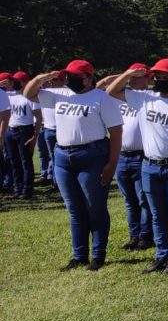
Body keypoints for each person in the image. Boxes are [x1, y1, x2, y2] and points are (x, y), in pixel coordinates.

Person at [106, 59, 168, 275]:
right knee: (157, 215)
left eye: (166, 78)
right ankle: (161, 256)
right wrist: (129, 71)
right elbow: (111, 90)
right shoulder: (144, 99)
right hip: (149, 165)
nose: (160, 81)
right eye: (157, 77)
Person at [25, 61, 123, 270]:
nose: (71, 80)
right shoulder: (60, 94)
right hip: (62, 156)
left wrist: (111, 164)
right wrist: (42, 77)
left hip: (92, 154)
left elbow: (116, 133)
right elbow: (29, 93)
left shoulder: (101, 98)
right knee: (74, 209)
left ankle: (98, 254)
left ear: (89, 77)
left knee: (94, 207)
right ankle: (79, 255)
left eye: (76, 77)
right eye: (68, 76)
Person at [99, 64, 154, 250]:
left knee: (144, 199)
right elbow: (105, 88)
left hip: (141, 156)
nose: (133, 80)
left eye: (138, 77)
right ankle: (134, 235)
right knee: (129, 200)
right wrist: (126, 73)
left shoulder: (150, 98)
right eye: (131, 77)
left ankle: (146, 235)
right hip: (122, 156)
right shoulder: (120, 97)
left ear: (148, 79)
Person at [3, 72, 42, 199]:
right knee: (13, 161)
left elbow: (38, 118)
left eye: (17, 81)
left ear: (25, 82)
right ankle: (17, 188)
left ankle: (27, 189)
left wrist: (34, 136)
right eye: (13, 80)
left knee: (25, 161)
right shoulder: (9, 95)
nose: (14, 83)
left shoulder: (30, 97)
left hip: (24, 130)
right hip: (10, 130)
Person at [36, 71, 62, 186]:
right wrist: (43, 78)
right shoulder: (44, 93)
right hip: (47, 128)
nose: (51, 82)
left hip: (60, 129)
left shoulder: (68, 93)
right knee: (46, 154)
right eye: (49, 80)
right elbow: (27, 91)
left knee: (57, 157)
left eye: (55, 79)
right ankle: (48, 176)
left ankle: (55, 180)